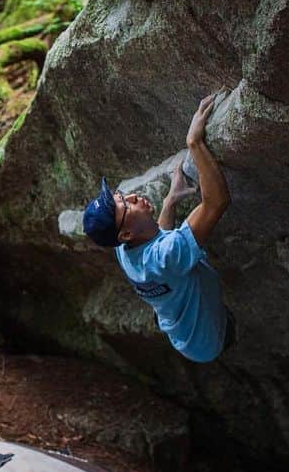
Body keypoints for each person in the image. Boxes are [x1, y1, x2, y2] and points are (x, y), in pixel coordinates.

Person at [83, 93, 234, 362]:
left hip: (180, 328)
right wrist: (195, 143)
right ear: (125, 233)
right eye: (125, 206)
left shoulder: (123, 250)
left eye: (121, 194)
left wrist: (170, 201)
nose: (131, 196)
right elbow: (216, 203)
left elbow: (156, 241)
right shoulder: (166, 256)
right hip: (208, 341)